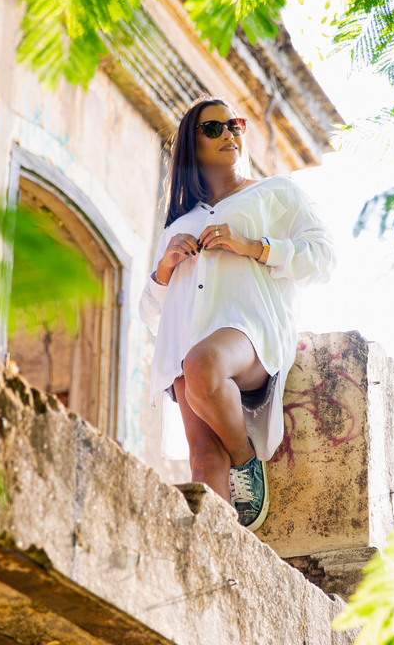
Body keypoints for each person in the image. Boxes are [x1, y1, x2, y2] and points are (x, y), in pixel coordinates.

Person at [138, 96, 336, 530]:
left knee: (202, 364)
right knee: (204, 461)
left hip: (248, 331)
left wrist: (253, 247)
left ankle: (246, 461)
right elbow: (151, 311)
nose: (229, 133)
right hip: (182, 342)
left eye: (235, 124)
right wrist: (165, 267)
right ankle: (216, 555)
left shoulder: (275, 192)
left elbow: (323, 258)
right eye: (214, 128)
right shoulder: (177, 224)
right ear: (193, 144)